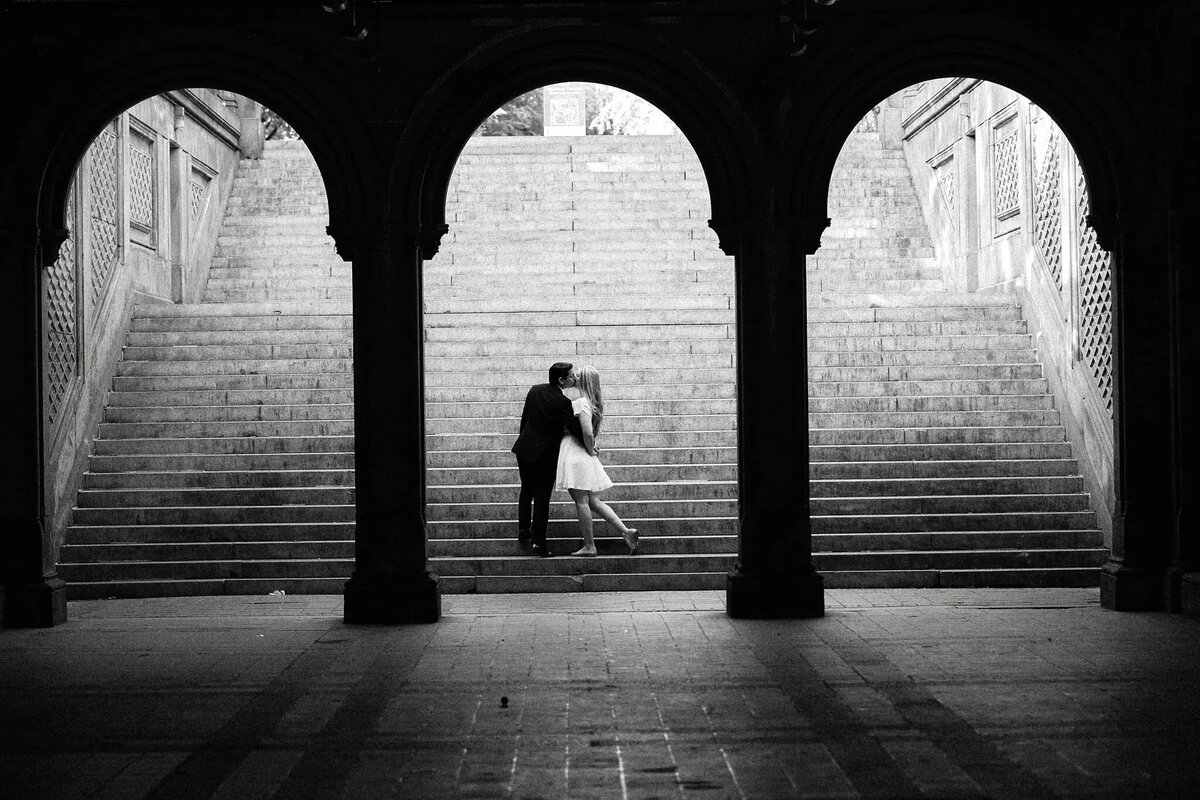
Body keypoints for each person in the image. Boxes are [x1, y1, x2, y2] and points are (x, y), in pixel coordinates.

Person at [554, 365, 639, 557]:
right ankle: (626, 532)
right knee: (593, 501)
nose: (574, 376)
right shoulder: (592, 402)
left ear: (583, 381)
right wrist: (591, 448)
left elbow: (586, 432)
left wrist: (590, 448)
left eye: (578, 375)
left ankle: (590, 546)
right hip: (582, 453)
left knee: (581, 501)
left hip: (575, 453)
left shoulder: (581, 402)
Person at [512, 362, 585, 557]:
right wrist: (589, 444)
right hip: (545, 455)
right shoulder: (563, 403)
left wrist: (524, 440)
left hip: (525, 448)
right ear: (562, 380)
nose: (574, 378)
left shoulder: (535, 390)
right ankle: (539, 543)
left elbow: (524, 418)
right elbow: (575, 429)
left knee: (527, 490)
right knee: (542, 497)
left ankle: (523, 529)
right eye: (571, 376)